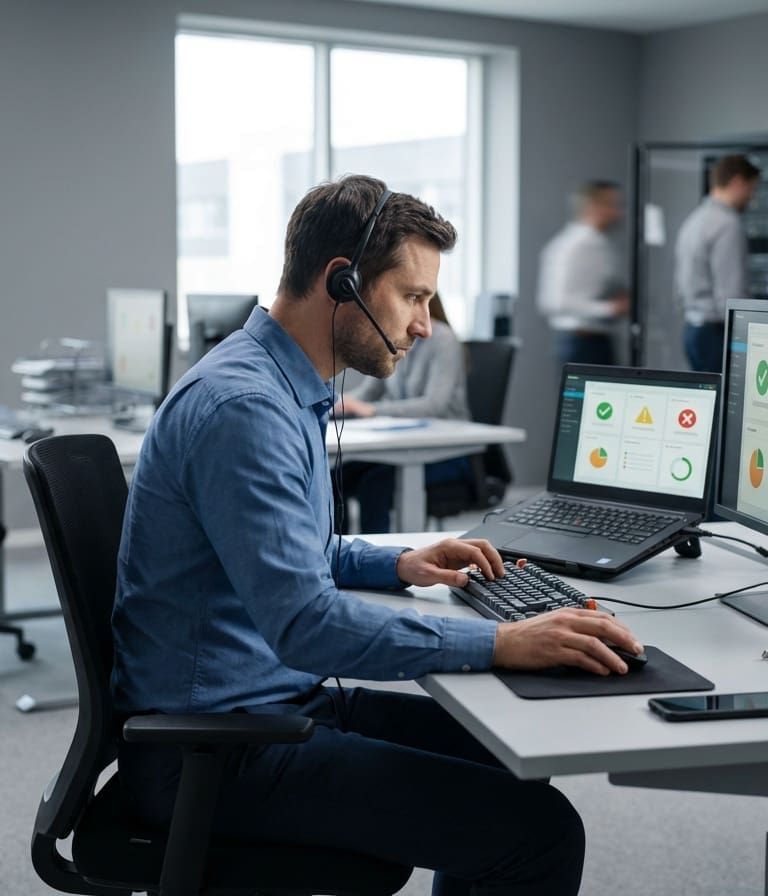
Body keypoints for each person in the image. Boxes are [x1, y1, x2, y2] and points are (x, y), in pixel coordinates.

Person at [111, 174, 642, 895]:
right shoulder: (245, 410)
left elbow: (284, 558)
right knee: (540, 834)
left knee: (507, 746)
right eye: (414, 297)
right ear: (343, 283)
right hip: (218, 752)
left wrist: (400, 564)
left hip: (267, 708)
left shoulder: (278, 384)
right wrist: (501, 642)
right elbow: (303, 624)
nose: (425, 325)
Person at [332, 293, 470, 533]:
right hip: (400, 448)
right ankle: (334, 557)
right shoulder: (395, 336)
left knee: (375, 484)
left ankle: (374, 564)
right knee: (336, 477)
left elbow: (433, 405)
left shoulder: (442, 340)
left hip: (445, 453)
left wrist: (371, 410)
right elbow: (371, 391)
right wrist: (341, 402)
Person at [674, 153, 761, 372]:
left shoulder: (694, 219)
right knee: (726, 403)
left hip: (692, 330)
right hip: (715, 334)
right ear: (737, 182)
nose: (751, 198)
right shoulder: (727, 225)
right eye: (751, 189)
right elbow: (731, 297)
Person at [536, 180, 630, 366]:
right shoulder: (575, 246)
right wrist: (611, 308)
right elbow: (554, 301)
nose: (619, 213)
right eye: (612, 205)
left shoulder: (600, 244)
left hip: (596, 341)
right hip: (582, 343)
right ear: (592, 207)